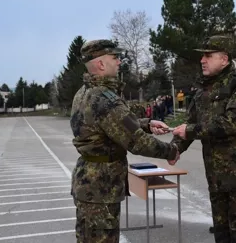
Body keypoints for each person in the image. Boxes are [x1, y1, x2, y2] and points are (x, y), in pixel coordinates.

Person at [70, 39, 179, 243]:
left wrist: (146, 123)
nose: (119, 62)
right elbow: (136, 141)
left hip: (88, 182)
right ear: (101, 64)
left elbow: (111, 123)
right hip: (101, 187)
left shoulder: (84, 92)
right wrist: (170, 151)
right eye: (115, 57)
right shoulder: (104, 98)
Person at [169, 34, 236, 243]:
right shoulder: (202, 91)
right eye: (202, 56)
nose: (202, 60)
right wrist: (174, 149)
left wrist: (190, 131)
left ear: (224, 58)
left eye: (208, 56)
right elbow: (191, 122)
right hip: (217, 180)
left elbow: (232, 123)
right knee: (222, 237)